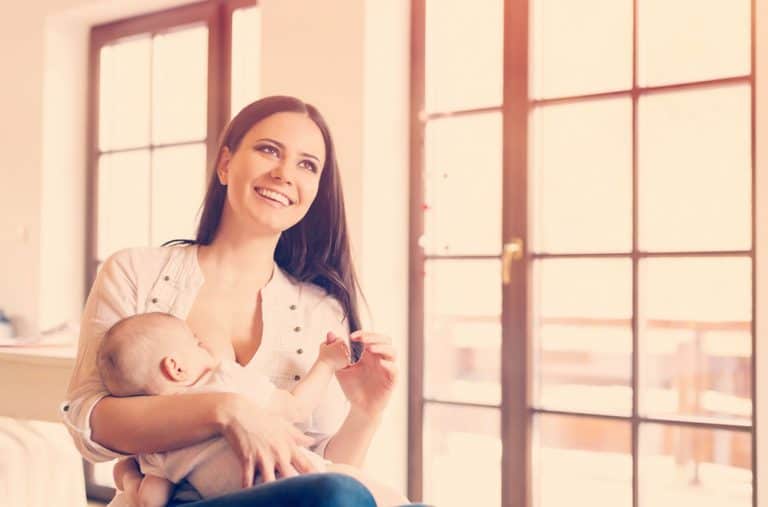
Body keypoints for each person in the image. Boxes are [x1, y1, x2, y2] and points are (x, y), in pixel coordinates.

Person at [62, 96, 401, 506]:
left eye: (307, 165)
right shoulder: (135, 271)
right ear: (225, 164)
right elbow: (91, 423)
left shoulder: (322, 311)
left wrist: (365, 412)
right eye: (269, 150)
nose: (284, 174)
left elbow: (321, 473)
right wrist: (225, 411)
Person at [98, 312, 407, 506]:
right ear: (176, 367)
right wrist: (325, 363)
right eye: (194, 342)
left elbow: (152, 500)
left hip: (259, 497)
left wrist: (129, 479)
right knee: (369, 491)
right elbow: (294, 408)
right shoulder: (223, 379)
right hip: (302, 477)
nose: (203, 345)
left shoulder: (155, 446)